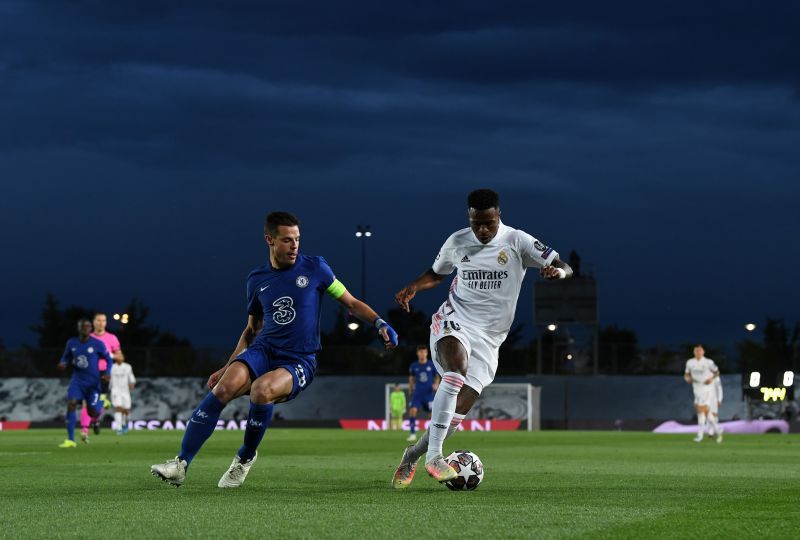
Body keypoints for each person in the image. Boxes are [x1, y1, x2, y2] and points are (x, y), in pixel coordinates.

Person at [151, 211, 398, 488]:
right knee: (222, 387)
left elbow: (351, 302)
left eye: (297, 239)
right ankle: (181, 464)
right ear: (269, 240)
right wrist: (226, 367)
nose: (294, 246)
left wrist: (379, 323)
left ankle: (244, 458)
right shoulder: (256, 279)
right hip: (264, 349)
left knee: (262, 390)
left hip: (299, 359)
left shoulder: (316, 268)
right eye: (286, 240)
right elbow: (251, 330)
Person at [391, 189, 572, 487]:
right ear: (470, 217)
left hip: (491, 339)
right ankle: (434, 457)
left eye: (489, 222)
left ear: (498, 214)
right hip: (455, 319)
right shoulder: (457, 240)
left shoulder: (518, 241)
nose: (483, 230)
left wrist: (558, 273)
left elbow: (565, 265)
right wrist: (415, 286)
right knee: (456, 369)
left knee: (455, 412)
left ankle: (412, 455)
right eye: (477, 223)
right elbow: (437, 274)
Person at [56, 319, 113, 448]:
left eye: (88, 326)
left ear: (90, 329)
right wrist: (62, 363)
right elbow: (65, 357)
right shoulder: (71, 342)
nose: (85, 328)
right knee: (71, 404)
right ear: (78, 328)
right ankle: (71, 440)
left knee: (92, 412)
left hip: (93, 383)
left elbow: (108, 359)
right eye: (82, 326)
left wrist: (108, 372)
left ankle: (102, 403)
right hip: (77, 381)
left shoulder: (97, 344)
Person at [78, 312, 123, 440]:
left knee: (98, 403)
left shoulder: (112, 338)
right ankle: (84, 431)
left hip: (104, 374)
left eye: (103, 320)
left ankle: (96, 419)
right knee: (86, 402)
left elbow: (120, 357)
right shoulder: (87, 338)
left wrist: (110, 355)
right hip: (89, 374)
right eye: (98, 320)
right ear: (93, 322)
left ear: (106, 323)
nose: (101, 323)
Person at [683, 344, 720, 443]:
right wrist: (688, 379)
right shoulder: (690, 362)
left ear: (703, 352)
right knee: (705, 413)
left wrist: (711, 378)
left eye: (700, 350)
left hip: (707, 390)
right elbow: (686, 374)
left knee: (701, 411)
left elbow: (717, 372)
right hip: (696, 390)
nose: (698, 352)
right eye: (696, 351)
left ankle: (700, 435)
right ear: (694, 352)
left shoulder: (708, 362)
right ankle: (717, 429)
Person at [406, 344, 440, 442]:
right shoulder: (414, 366)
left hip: (429, 394)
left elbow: (437, 376)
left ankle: (432, 435)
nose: (422, 354)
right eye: (421, 352)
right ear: (418, 353)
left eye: (424, 352)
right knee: (413, 411)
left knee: (432, 415)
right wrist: (410, 388)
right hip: (417, 394)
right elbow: (411, 378)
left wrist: (436, 384)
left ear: (427, 353)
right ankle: (412, 434)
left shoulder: (431, 364)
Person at [110, 354, 136, 434]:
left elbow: (131, 377)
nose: (121, 357)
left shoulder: (128, 366)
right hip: (115, 390)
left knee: (126, 410)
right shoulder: (111, 367)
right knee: (118, 408)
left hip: (125, 391)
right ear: (115, 358)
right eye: (119, 356)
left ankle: (124, 423)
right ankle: (119, 428)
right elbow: (108, 377)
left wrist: (132, 383)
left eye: (122, 356)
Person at [707, 373, 724, 443]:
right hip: (706, 400)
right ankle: (713, 430)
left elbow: (720, 390)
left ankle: (712, 432)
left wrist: (719, 399)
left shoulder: (717, 379)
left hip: (714, 400)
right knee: (708, 416)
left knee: (713, 415)